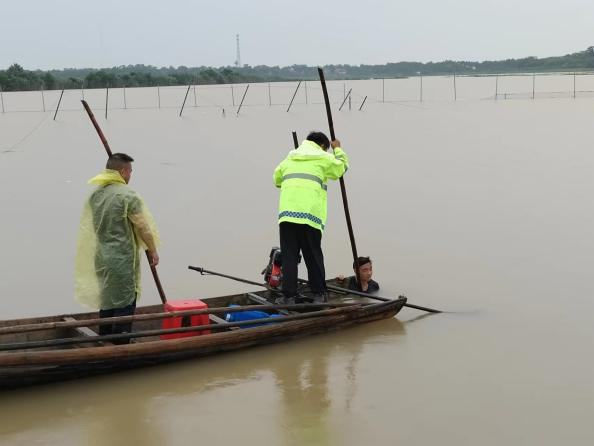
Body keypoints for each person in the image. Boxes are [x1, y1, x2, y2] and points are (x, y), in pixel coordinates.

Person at [75, 153, 160, 342]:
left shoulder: (96, 195)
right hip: (121, 258)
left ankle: (104, 338)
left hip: (102, 258)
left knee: (108, 298)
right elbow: (142, 226)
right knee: (124, 299)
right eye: (130, 171)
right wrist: (152, 248)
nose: (131, 176)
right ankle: (120, 342)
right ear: (122, 171)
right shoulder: (127, 195)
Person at [273, 131, 349, 304]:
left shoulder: (290, 158)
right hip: (310, 215)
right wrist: (338, 150)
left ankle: (289, 296)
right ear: (323, 146)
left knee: (289, 256)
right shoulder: (323, 157)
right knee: (312, 254)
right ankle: (319, 294)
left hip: (287, 215)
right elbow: (341, 168)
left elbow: (276, 180)